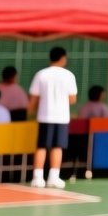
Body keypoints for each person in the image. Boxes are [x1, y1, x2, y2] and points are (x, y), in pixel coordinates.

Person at [28, 46, 77, 189]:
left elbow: (34, 99)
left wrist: (31, 111)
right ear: (63, 58)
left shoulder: (41, 74)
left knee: (41, 146)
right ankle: (53, 177)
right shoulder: (68, 75)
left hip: (44, 115)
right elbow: (72, 98)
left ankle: (37, 177)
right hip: (61, 116)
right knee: (57, 146)